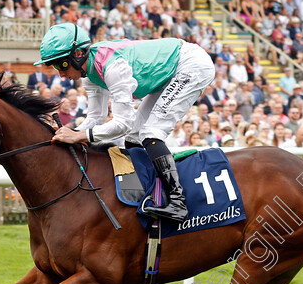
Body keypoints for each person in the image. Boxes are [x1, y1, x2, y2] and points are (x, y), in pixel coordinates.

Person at [41, 23, 215, 222]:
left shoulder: (112, 67)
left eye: (62, 64)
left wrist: (79, 135)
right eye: (55, 66)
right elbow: (95, 119)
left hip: (190, 65)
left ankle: (178, 201)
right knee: (134, 137)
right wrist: (68, 133)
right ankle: (148, 193)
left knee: (150, 133)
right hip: (171, 70)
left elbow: (122, 123)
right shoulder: (89, 73)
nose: (61, 73)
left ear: (79, 54)